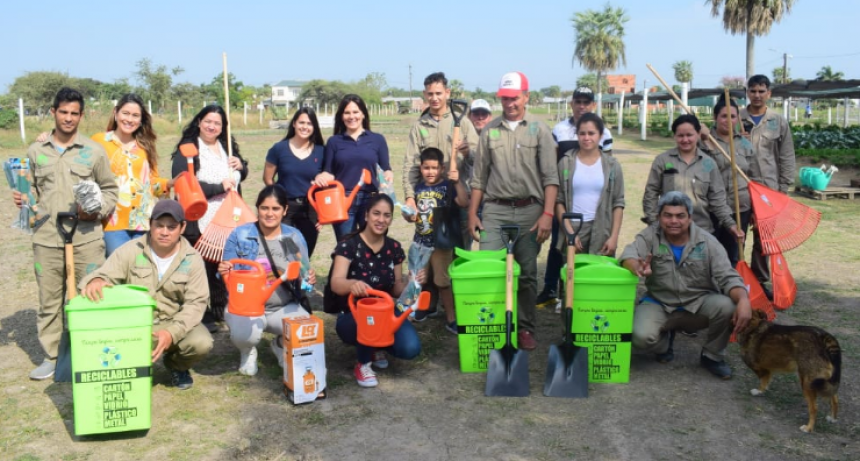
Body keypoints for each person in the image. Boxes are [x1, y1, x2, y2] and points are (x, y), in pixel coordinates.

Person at [13, 87, 118, 380]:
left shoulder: (93, 152)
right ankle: (53, 355)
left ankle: (92, 351)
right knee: (49, 300)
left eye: (74, 113)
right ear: (53, 113)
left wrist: (96, 209)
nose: (69, 118)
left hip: (86, 237)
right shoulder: (36, 150)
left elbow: (110, 189)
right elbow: (28, 189)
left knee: (91, 296)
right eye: (63, 112)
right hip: (46, 238)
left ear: (81, 116)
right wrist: (23, 200)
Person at [468, 71, 559, 351]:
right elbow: (479, 178)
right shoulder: (490, 131)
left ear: (526, 97)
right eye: (505, 98)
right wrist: (473, 213)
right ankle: (494, 325)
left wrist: (547, 214)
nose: (509, 104)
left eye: (514, 98)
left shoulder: (539, 130)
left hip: (531, 211)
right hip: (495, 211)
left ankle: (525, 327)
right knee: (490, 269)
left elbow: (550, 177)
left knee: (528, 273)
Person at [79, 200, 212, 390]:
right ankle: (130, 365)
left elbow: (196, 304)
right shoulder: (131, 250)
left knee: (201, 342)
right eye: (159, 226)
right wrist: (96, 280)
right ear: (150, 224)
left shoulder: (192, 259)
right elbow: (102, 274)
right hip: (134, 326)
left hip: (172, 323)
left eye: (171, 227)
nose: (164, 232)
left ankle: (176, 366)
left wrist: (170, 333)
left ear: (182, 228)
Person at [620, 191, 751, 379]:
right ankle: (664, 342)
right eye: (668, 215)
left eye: (680, 216)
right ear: (659, 217)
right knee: (639, 337)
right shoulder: (649, 235)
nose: (674, 221)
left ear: (689, 218)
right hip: (659, 302)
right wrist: (636, 266)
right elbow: (628, 254)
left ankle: (712, 356)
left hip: (697, 304)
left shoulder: (708, 242)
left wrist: (744, 299)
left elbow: (728, 277)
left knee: (729, 306)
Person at [34, 93, 170, 256]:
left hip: (143, 222)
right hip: (112, 222)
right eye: (125, 113)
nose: (129, 119)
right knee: (118, 273)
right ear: (116, 113)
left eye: (135, 115)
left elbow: (152, 182)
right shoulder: (99, 141)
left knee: (141, 273)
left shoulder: (146, 145)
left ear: (141, 120)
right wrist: (49, 136)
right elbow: (72, 146)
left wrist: (169, 184)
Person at [327, 195, 426, 388]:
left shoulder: (394, 248)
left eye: (387, 215)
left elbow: (396, 288)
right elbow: (336, 283)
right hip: (353, 314)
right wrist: (352, 285)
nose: (381, 220)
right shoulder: (348, 245)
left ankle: (376, 345)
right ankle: (363, 363)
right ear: (366, 215)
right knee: (368, 320)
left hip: (385, 312)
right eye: (376, 214)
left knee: (410, 348)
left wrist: (411, 282)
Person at [218, 185, 317, 376]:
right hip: (247, 308)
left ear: (285, 210)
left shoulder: (293, 236)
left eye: (275, 208)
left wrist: (309, 279)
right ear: (257, 209)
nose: (269, 213)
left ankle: (280, 344)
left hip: (282, 306)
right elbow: (228, 278)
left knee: (307, 330)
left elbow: (305, 275)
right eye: (264, 208)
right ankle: (248, 351)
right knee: (243, 334)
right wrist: (225, 271)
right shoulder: (240, 235)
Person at [171, 105, 249, 331]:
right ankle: (201, 313)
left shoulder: (226, 146)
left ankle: (221, 307)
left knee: (224, 263)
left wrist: (241, 168)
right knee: (202, 266)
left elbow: (238, 176)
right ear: (199, 121)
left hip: (228, 216)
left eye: (217, 123)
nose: (212, 126)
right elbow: (182, 184)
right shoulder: (188, 148)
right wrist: (217, 186)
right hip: (201, 217)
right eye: (208, 121)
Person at [538, 86, 615, 307]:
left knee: (591, 248)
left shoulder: (604, 133)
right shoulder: (560, 129)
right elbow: (552, 162)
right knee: (558, 244)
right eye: (578, 101)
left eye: (586, 102)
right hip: (563, 197)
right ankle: (551, 288)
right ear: (571, 103)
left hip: (589, 200)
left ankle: (587, 293)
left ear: (593, 105)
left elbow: (606, 168)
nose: (582, 105)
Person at [402, 72, 478, 248]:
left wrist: (467, 153)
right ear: (425, 95)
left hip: (459, 198)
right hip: (430, 200)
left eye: (438, 93)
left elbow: (479, 160)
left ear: (447, 93)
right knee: (431, 253)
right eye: (430, 94)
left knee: (460, 253)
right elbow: (411, 165)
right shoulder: (419, 126)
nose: (434, 98)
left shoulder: (463, 123)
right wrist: (409, 197)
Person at [642, 114, 742, 240]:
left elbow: (718, 200)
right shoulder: (662, 160)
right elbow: (650, 194)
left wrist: (731, 224)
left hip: (702, 231)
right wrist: (654, 223)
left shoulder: (708, 164)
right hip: (669, 232)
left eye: (689, 135)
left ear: (699, 134)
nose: (685, 140)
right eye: (680, 136)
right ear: (674, 136)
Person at [740, 74, 796, 293]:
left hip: (769, 191)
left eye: (761, 91)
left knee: (764, 240)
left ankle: (760, 282)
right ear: (747, 93)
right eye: (753, 91)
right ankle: (735, 281)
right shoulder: (736, 118)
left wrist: (783, 190)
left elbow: (787, 156)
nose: (757, 95)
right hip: (741, 189)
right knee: (738, 235)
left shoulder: (778, 121)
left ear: (769, 94)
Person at [314, 94, 391, 242]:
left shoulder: (377, 140)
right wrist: (321, 177)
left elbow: (386, 168)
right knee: (346, 247)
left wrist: (388, 175)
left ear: (363, 114)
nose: (352, 116)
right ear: (341, 116)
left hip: (371, 199)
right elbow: (329, 171)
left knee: (373, 245)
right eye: (347, 113)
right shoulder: (334, 141)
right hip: (342, 200)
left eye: (355, 112)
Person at [408, 148, 468, 331]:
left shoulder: (448, 187)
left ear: (442, 168)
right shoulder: (418, 188)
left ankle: (451, 317)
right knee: (421, 279)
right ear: (421, 168)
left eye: (435, 168)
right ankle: (423, 308)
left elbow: (464, 202)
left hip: (441, 243)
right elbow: (411, 214)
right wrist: (408, 214)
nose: (431, 172)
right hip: (421, 241)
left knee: (443, 282)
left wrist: (457, 181)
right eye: (426, 168)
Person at [700, 95, 761, 268]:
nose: (728, 120)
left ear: (738, 119)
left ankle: (733, 291)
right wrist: (705, 141)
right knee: (708, 254)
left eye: (733, 116)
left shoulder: (745, 145)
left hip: (739, 208)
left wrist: (756, 210)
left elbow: (755, 179)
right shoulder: (701, 141)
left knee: (734, 255)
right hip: (709, 208)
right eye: (724, 116)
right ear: (715, 117)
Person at [554, 113, 625, 257]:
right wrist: (569, 233)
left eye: (591, 133)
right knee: (570, 276)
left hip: (602, 229)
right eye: (582, 133)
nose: (586, 138)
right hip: (574, 227)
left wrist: (614, 237)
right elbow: (559, 201)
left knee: (599, 276)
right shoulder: (566, 163)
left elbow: (618, 203)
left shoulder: (612, 166)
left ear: (600, 135)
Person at [263, 107, 325, 257]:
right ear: (294, 124)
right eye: (301, 122)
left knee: (305, 253)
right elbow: (268, 178)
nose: (305, 127)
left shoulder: (322, 151)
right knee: (288, 253)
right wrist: (277, 202)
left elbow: (326, 183)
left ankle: (302, 280)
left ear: (314, 127)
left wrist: (323, 214)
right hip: (286, 210)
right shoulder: (279, 149)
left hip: (310, 210)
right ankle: (287, 280)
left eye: (309, 123)